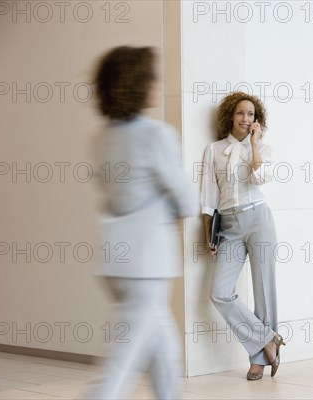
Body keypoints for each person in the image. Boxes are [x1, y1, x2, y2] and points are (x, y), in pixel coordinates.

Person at [86, 46, 192, 399]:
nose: (157, 84)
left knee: (165, 354)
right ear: (138, 84)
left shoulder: (101, 138)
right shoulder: (156, 134)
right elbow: (185, 195)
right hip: (147, 264)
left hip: (115, 261)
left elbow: (112, 189)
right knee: (122, 364)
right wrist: (175, 209)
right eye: (152, 78)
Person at [201, 92, 284, 381]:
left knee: (264, 290)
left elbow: (259, 177)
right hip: (230, 227)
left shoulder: (263, 148)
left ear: (256, 120)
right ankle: (267, 338)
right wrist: (208, 233)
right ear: (230, 116)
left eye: (250, 114)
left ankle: (259, 361)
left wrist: (253, 144)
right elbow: (208, 197)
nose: (245, 119)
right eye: (240, 113)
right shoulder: (213, 150)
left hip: (259, 218)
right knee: (220, 293)